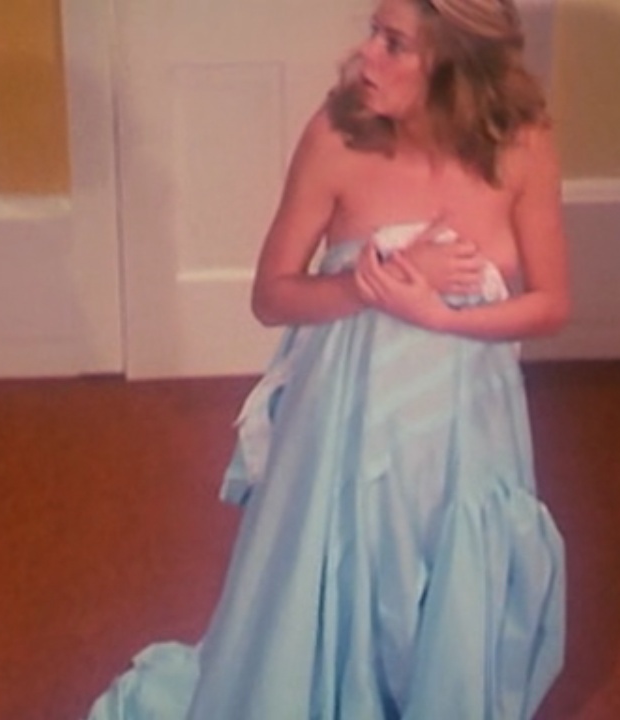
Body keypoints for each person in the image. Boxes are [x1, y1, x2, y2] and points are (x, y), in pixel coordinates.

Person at [87, 0, 569, 717]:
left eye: (394, 43)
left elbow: (552, 304)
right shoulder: (338, 136)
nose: (367, 55)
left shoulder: (522, 145)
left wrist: (440, 315)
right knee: (354, 571)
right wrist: (372, 284)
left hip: (466, 430)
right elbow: (271, 296)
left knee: (448, 584)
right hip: (349, 429)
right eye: (373, 32)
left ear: (454, 63)